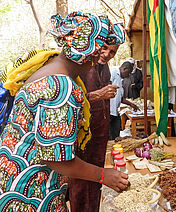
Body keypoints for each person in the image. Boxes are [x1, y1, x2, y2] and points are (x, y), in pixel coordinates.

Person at [0, 11, 129, 211]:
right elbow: (56, 160)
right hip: (30, 192)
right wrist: (104, 175)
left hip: (11, 178)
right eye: (99, 52)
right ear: (91, 55)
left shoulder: (46, 67)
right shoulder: (61, 87)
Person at [68, 24, 124, 212]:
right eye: (105, 47)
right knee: (81, 181)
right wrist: (97, 95)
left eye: (112, 52)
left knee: (96, 182)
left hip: (99, 136)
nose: (107, 54)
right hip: (83, 138)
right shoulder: (81, 66)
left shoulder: (105, 69)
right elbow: (70, 100)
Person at [109, 61, 139, 140]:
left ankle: (115, 147)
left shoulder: (120, 79)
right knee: (110, 135)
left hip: (114, 111)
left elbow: (120, 97)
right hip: (108, 111)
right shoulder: (113, 72)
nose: (128, 75)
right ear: (124, 69)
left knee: (116, 133)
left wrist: (131, 104)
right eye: (128, 73)